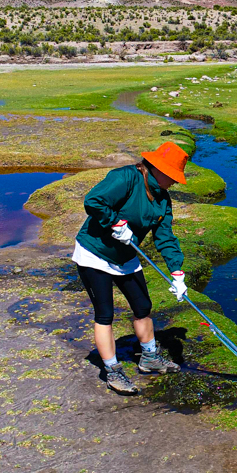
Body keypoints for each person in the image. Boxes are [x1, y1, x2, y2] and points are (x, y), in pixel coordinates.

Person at [71, 141, 190, 395]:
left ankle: (150, 358)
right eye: (173, 177)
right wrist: (114, 223)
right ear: (159, 169)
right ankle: (112, 371)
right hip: (95, 254)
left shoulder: (162, 200)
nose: (175, 182)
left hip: (126, 257)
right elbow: (93, 201)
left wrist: (177, 273)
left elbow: (165, 238)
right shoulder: (126, 178)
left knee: (143, 307)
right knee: (105, 313)